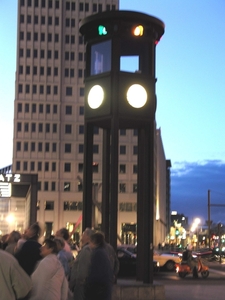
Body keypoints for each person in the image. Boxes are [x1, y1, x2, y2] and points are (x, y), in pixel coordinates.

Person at [84, 232, 113, 300]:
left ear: (94, 242)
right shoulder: (103, 252)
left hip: (98, 290)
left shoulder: (97, 253)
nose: (89, 244)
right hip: (104, 288)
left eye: (90, 242)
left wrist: (88, 286)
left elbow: (95, 273)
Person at [69, 227, 95, 300]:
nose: (81, 236)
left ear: (88, 237)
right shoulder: (86, 249)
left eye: (83, 234)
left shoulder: (86, 250)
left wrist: (73, 283)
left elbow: (82, 270)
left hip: (80, 286)